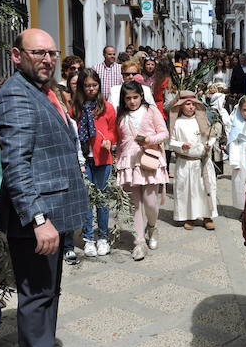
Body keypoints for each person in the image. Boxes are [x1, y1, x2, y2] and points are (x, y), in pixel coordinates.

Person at [0, 28, 88, 347]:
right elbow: (16, 163)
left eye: (52, 52)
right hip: (36, 221)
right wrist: (37, 218)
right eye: (38, 53)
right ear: (17, 55)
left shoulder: (43, 91)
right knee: (36, 298)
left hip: (52, 214)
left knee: (48, 294)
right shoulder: (16, 95)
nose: (47, 59)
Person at [114, 80, 169, 260]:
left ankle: (152, 227)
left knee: (150, 202)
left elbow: (164, 133)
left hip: (149, 160)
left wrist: (148, 139)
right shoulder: (120, 115)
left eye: (135, 97)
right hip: (128, 163)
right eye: (128, 98)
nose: (132, 101)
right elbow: (120, 141)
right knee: (134, 205)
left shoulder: (151, 110)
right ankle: (139, 242)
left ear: (141, 96)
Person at [72, 68, 117, 257]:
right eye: (87, 85)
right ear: (82, 87)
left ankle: (103, 237)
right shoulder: (76, 108)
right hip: (83, 159)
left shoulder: (106, 107)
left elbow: (114, 131)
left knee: (102, 200)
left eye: (94, 85)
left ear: (99, 86)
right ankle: (89, 238)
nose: (91, 88)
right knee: (87, 200)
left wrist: (109, 140)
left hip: (102, 159)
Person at [168, 91, 218, 230]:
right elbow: (171, 142)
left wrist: (209, 144)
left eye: (193, 104)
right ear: (181, 106)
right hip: (185, 162)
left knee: (204, 188)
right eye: (187, 104)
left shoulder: (201, 119)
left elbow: (211, 135)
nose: (191, 107)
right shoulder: (177, 123)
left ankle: (207, 216)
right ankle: (189, 217)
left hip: (202, 162)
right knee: (187, 190)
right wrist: (180, 145)